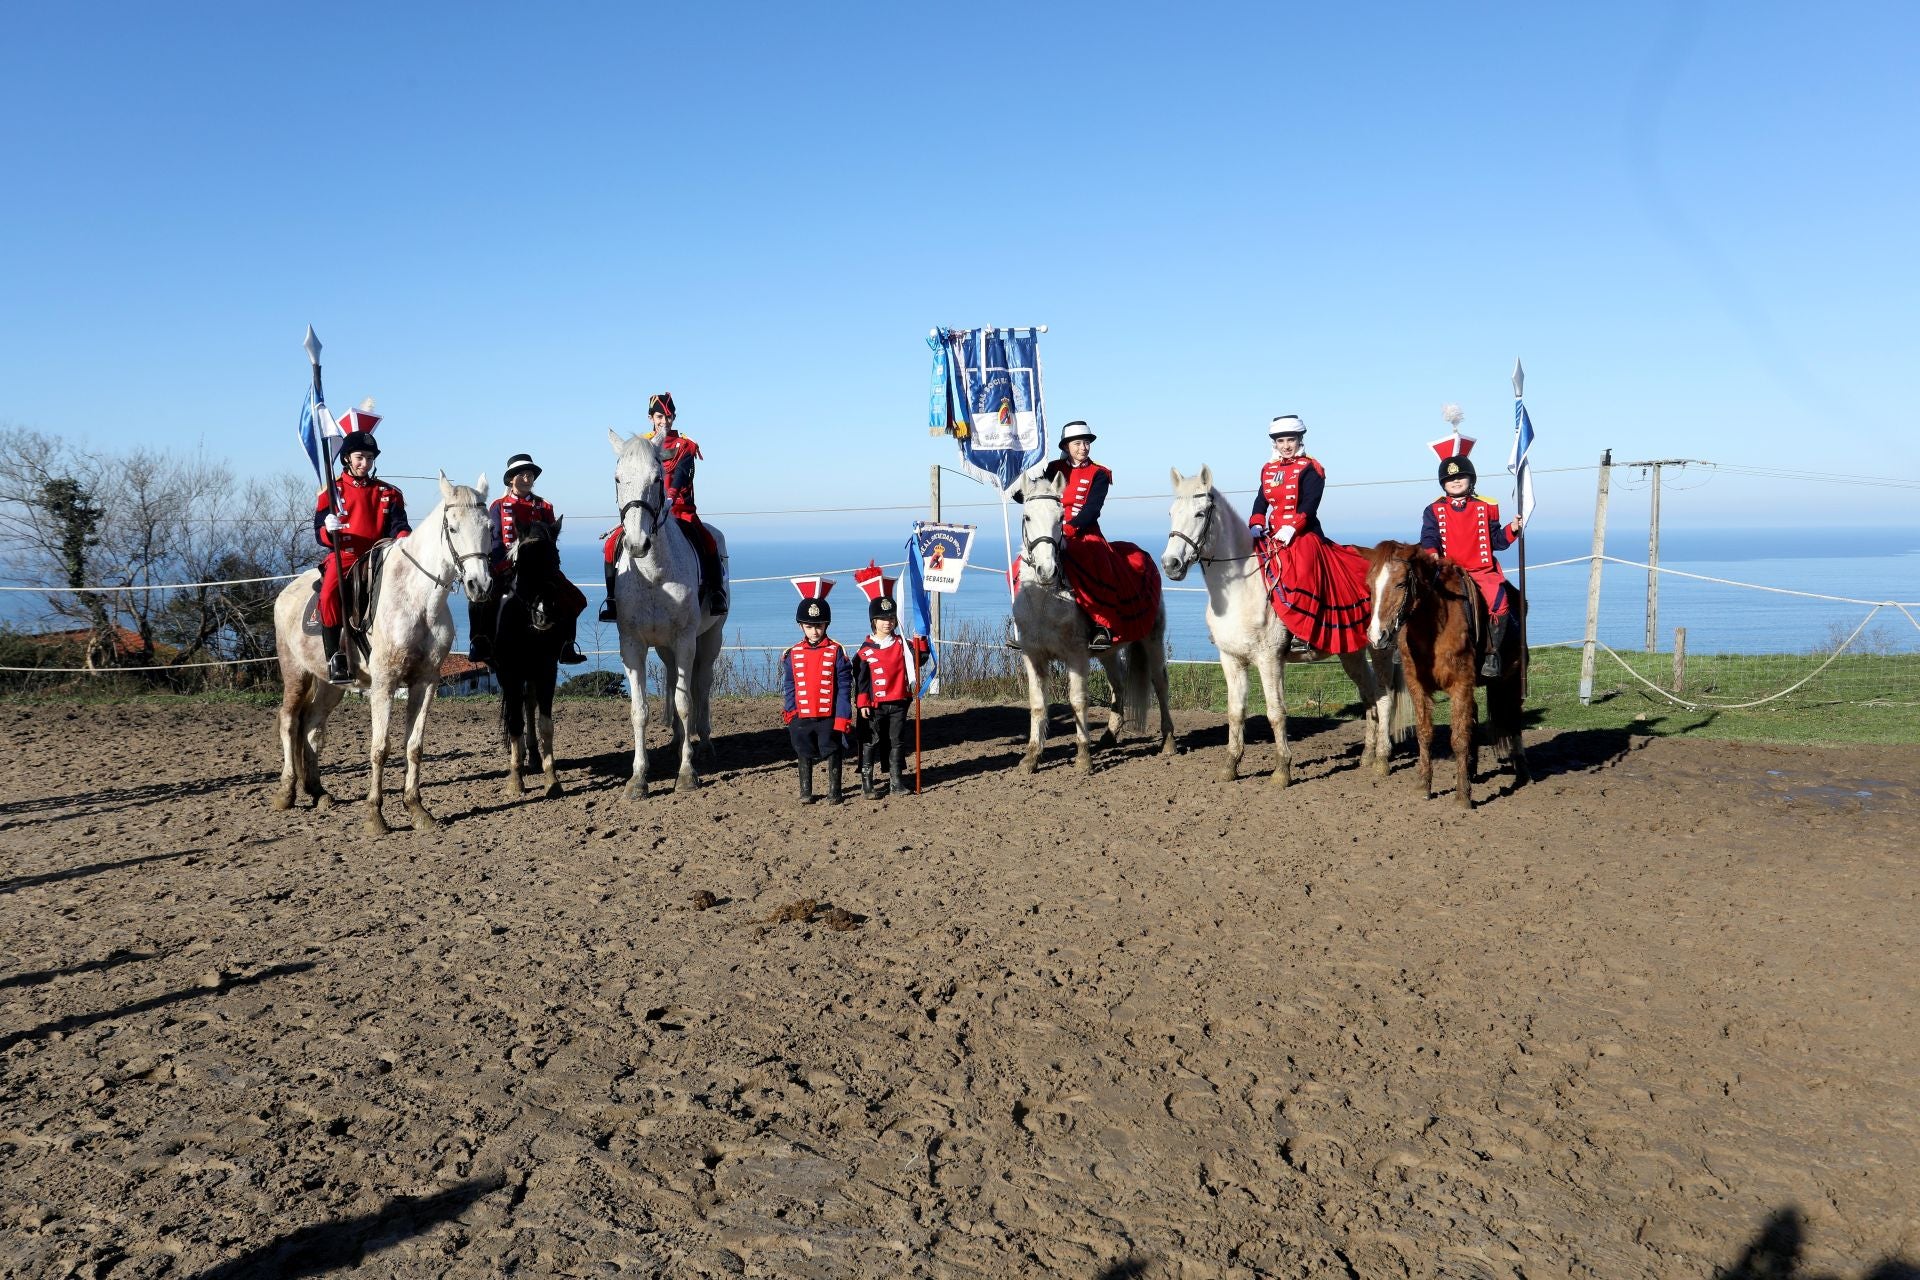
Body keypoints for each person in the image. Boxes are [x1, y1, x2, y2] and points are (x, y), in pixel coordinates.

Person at [1247, 414, 1372, 654]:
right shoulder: (1268, 469)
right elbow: (1261, 499)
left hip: (1304, 533)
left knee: (1302, 571)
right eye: (1281, 441)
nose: (1286, 446)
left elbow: (1310, 504)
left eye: (1290, 440)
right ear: (1275, 443)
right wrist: (1256, 521)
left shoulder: (1311, 468)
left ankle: (1302, 632)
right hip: (1273, 534)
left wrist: (1292, 527)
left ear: (1299, 439)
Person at [599, 392, 727, 621]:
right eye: (659, 416)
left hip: (679, 509)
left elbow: (680, 475)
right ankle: (611, 599)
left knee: (708, 540)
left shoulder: (685, 445)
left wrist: (670, 498)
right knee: (610, 545)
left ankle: (716, 592)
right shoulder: (641, 446)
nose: (664, 422)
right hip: (646, 510)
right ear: (651, 418)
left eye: (669, 417)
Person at [1034, 420, 1157, 653]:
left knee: (1095, 563)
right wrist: (1014, 485)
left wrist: (1070, 528)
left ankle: (1103, 625)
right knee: (1023, 565)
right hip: (1051, 531)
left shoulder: (1099, 473)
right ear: (1067, 446)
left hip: (1084, 532)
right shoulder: (1052, 469)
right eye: (1078, 443)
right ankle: (1030, 624)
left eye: (1086, 443)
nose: (1083, 448)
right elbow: (1031, 496)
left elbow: (1092, 509)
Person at [313, 406, 409, 685]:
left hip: (380, 554)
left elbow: (399, 526)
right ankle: (335, 657)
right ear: (346, 458)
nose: (365, 463)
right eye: (360, 457)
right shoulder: (331, 490)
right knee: (329, 594)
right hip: (345, 554)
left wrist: (402, 540)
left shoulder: (389, 492)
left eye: (369, 458)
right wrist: (327, 529)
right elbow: (318, 530)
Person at [469, 452, 589, 666]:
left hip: (540, 568)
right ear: (511, 479)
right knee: (481, 600)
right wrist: (502, 565)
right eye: (522, 474)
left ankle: (566, 646)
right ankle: (481, 641)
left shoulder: (544, 507)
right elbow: (495, 540)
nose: (527, 478)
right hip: (506, 567)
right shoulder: (498, 506)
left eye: (530, 474)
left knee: (575, 598)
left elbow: (552, 538)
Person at [1422, 443, 1524, 677]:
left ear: (1471, 479)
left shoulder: (1487, 506)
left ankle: (1492, 653)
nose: (1456, 481)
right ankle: (1408, 646)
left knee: (1499, 603)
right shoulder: (1433, 509)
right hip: (1448, 570)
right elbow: (1429, 536)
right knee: (1416, 598)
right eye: (1450, 479)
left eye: (1461, 476)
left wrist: (1513, 528)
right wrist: (1431, 552)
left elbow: (1497, 540)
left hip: (1481, 570)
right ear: (1443, 484)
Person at [851, 565, 930, 799]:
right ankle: (868, 783)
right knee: (871, 742)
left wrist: (922, 637)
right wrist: (863, 703)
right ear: (873, 621)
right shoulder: (864, 651)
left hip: (899, 700)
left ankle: (896, 781)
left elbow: (920, 660)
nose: (887, 622)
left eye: (891, 618)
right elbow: (861, 680)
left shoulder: (903, 645)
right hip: (874, 705)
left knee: (897, 741)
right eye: (882, 619)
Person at [781, 578, 853, 805]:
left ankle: (835, 792)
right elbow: (790, 686)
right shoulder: (792, 653)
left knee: (832, 749)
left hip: (828, 715)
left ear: (826, 625)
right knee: (803, 749)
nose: (814, 631)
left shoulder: (836, 652)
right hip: (802, 714)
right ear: (801, 626)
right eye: (810, 626)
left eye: (819, 625)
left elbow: (844, 688)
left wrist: (842, 716)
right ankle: (806, 791)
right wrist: (791, 712)